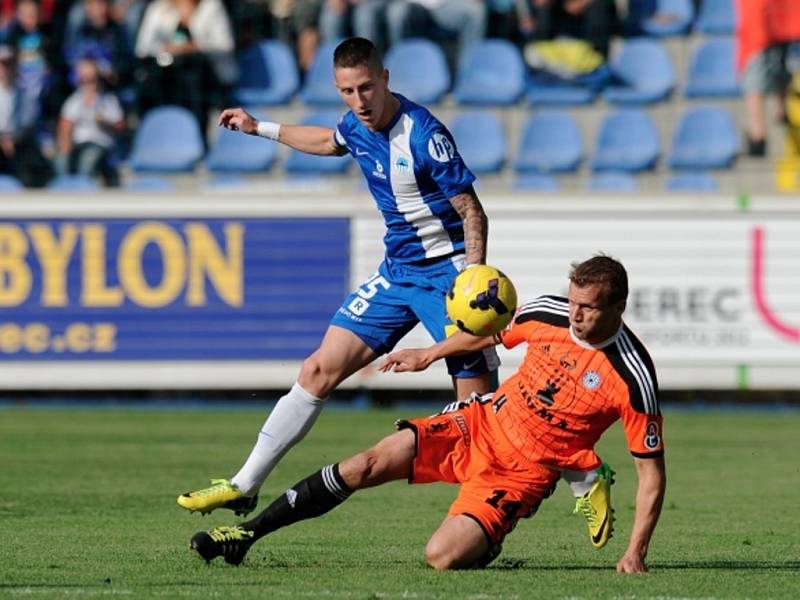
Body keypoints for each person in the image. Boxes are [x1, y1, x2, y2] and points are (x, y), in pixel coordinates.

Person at [176, 36, 500, 519]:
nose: (358, 101)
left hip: (448, 275)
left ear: (385, 78)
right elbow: (330, 141)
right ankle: (244, 484)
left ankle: (581, 477)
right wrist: (257, 126)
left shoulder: (423, 134)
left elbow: (472, 211)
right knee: (316, 371)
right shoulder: (356, 125)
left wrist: (472, 280)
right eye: (346, 91)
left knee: (483, 417)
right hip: (398, 274)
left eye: (366, 88)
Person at [189, 254, 666, 573]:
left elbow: (651, 476)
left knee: (441, 557)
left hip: (523, 473)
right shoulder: (547, 312)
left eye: (587, 308)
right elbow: (492, 334)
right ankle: (244, 535)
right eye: (574, 302)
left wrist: (635, 553)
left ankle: (573, 476)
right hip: (482, 421)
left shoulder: (633, 376)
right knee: (366, 464)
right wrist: (431, 353)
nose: (575, 315)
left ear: (619, 306)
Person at [55, 57, 125, 186]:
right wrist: (65, 146)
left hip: (101, 144)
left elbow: (120, 126)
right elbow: (65, 125)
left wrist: (105, 123)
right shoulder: (74, 100)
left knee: (88, 159)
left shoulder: (109, 100)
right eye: (84, 80)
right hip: (78, 144)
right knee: (61, 160)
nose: (88, 84)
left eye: (92, 80)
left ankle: (83, 194)